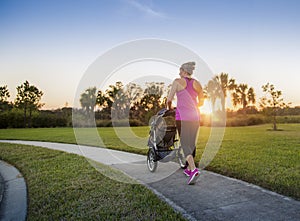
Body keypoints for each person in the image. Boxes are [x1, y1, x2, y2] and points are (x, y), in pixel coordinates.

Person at [167, 61, 204, 185]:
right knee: (191, 143)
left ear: (183, 71)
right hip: (195, 117)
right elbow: (202, 102)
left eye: (180, 70)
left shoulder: (177, 81)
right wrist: (193, 106)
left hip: (182, 117)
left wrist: (169, 108)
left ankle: (193, 170)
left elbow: (169, 100)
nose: (179, 73)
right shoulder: (197, 83)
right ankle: (188, 169)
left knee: (185, 143)